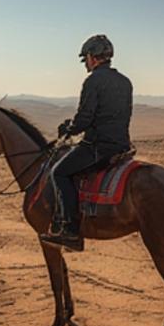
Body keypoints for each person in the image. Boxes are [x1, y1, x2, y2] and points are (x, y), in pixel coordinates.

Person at [42, 34, 133, 251]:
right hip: (121, 146)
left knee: (58, 172)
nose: (85, 64)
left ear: (93, 57)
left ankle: (70, 231)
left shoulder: (93, 81)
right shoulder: (125, 81)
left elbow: (85, 118)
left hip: (97, 147)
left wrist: (68, 129)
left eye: (85, 59)